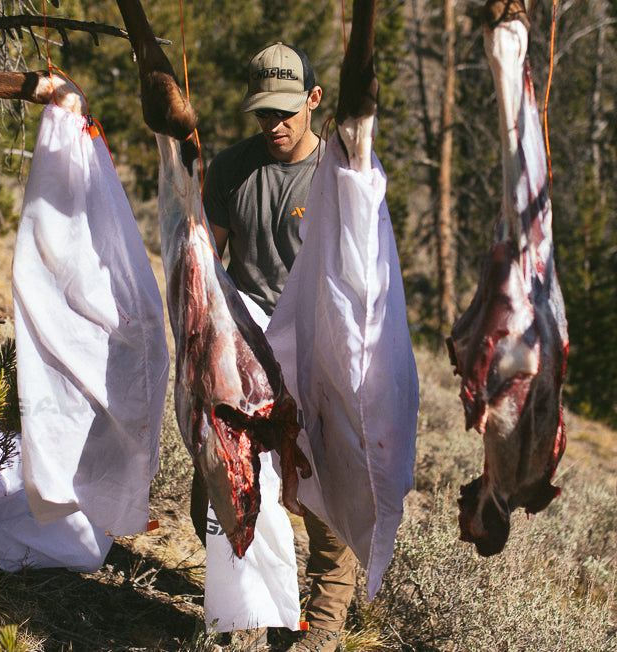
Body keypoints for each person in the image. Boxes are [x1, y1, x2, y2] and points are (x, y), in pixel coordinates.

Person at [196, 42, 354, 652]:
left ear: (314, 100)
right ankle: (250, 610)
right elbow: (207, 264)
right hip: (246, 345)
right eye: (264, 113)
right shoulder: (233, 169)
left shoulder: (337, 174)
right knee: (221, 483)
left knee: (323, 490)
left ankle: (323, 625)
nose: (276, 125)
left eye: (287, 111)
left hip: (319, 345)